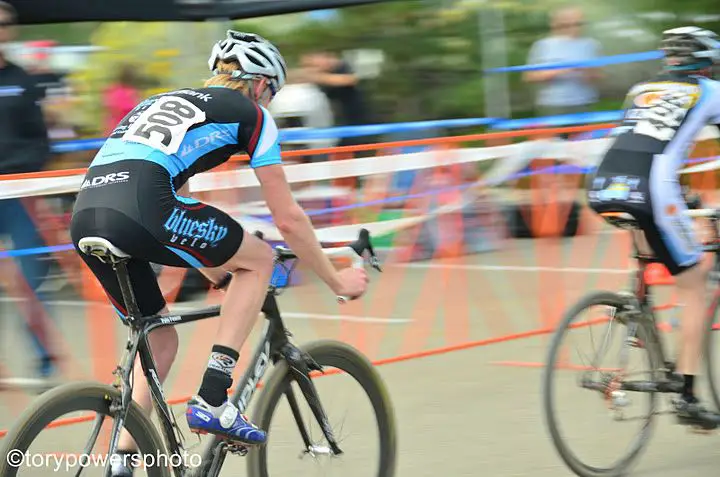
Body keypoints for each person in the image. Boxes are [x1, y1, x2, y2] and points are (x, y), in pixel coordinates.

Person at [68, 30, 369, 476]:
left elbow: (178, 189)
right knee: (261, 260)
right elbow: (287, 218)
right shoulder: (254, 115)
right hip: (143, 207)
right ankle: (212, 396)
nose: (268, 104)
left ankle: (122, 458)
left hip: (87, 215)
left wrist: (217, 269)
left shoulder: (158, 102)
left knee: (160, 339)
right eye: (271, 93)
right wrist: (337, 279)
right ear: (261, 84)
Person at [587, 26, 720, 429]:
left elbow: (648, 140)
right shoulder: (709, 91)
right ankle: (687, 396)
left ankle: (637, 309)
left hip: (601, 185)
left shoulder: (640, 89)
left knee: (652, 248)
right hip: (652, 190)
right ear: (707, 64)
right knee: (694, 281)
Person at [0, 1, 57, 382]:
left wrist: (24, 170)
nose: (2, 28)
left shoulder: (24, 79)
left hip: (21, 193)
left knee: (32, 279)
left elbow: (41, 140)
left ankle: (43, 362)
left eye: (6, 22)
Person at [523, 6, 602, 118]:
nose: (575, 27)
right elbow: (529, 76)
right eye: (569, 23)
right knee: (553, 136)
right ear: (557, 24)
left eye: (579, 23)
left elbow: (598, 76)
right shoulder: (543, 45)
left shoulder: (591, 44)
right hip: (552, 104)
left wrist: (588, 72)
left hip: (583, 102)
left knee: (583, 136)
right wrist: (564, 70)